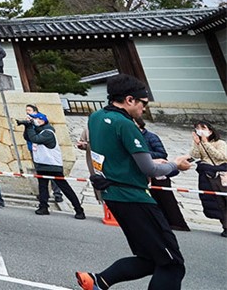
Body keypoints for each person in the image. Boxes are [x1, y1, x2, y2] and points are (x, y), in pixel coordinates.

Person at [75, 74, 192, 290]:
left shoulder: (96, 117)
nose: (144, 109)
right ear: (130, 100)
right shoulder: (126, 124)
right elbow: (149, 169)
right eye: (143, 103)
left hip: (112, 194)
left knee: (149, 258)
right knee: (172, 263)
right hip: (135, 197)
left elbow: (116, 153)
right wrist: (176, 164)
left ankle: (98, 281)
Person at [19, 111, 85, 219]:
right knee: (43, 187)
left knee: (65, 188)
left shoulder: (48, 132)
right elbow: (28, 137)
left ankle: (78, 209)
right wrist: (27, 127)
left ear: (42, 120)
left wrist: (30, 126)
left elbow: (35, 139)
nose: (35, 121)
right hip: (42, 163)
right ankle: (43, 207)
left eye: (36, 119)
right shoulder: (39, 131)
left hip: (52, 165)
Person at [135, 117, 188, 231]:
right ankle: (159, 223)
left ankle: (177, 224)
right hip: (145, 172)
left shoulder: (151, 137)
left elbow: (161, 153)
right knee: (152, 199)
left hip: (159, 172)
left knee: (167, 200)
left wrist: (143, 154)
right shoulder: (134, 137)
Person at [189, 119, 227, 237]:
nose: (200, 131)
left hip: (222, 175)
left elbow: (220, 156)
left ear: (210, 131)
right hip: (207, 175)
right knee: (216, 202)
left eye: (203, 128)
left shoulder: (220, 143)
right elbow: (194, 155)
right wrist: (197, 143)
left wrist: (205, 143)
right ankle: (225, 226)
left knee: (224, 200)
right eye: (198, 128)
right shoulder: (199, 143)